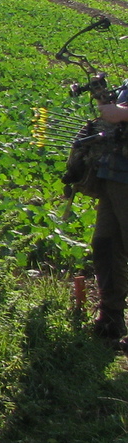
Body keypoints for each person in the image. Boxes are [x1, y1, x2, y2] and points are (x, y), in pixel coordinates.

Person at [92, 92, 128, 340]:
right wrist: (105, 103)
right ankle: (112, 318)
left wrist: (123, 113)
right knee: (106, 243)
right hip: (115, 173)